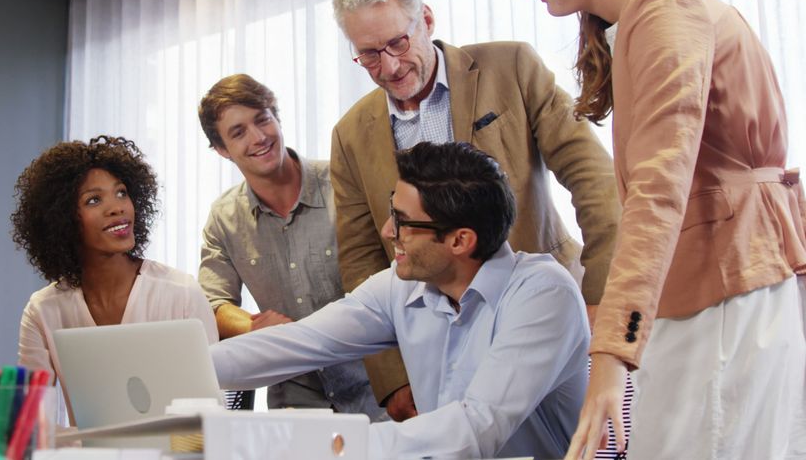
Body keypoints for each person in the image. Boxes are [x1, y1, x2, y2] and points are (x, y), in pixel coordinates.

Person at [507, 0, 806, 458]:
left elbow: (658, 192)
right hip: (714, 280)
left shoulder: (667, 11)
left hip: (723, 279)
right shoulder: (642, 19)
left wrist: (611, 352)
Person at [330, 0, 619, 419]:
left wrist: (603, 295)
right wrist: (393, 379)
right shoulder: (349, 134)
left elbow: (594, 180)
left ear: (426, 20)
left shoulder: (512, 67)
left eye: (398, 44)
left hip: (542, 311)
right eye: (368, 55)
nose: (389, 67)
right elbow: (360, 258)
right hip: (436, 342)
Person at [211, 141, 590, 459]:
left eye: (403, 221)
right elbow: (300, 342)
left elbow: (475, 428)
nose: (387, 230)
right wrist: (190, 367)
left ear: (460, 240)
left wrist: (328, 446)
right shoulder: (403, 285)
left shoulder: (543, 294)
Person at [196, 74, 383, 417]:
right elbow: (212, 303)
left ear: (277, 118)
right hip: (295, 404)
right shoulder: (224, 218)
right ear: (222, 150)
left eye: (262, 119)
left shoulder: (345, 184)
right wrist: (252, 326)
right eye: (238, 132)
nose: (258, 137)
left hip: (376, 394)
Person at [12, 136, 219, 425]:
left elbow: (213, 411)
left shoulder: (181, 292)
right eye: (94, 200)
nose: (117, 207)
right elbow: (31, 420)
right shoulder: (43, 310)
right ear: (62, 219)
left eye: (121, 193)